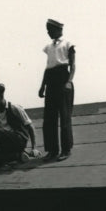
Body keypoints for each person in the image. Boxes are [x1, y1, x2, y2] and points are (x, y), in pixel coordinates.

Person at [37, 18, 75, 161]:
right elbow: (48, 68)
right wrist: (42, 86)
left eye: (51, 30)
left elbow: (73, 65)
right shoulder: (48, 47)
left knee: (64, 117)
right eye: (47, 31)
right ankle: (52, 150)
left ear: (59, 29)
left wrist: (69, 82)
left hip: (63, 79)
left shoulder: (68, 44)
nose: (49, 33)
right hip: (51, 81)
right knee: (49, 118)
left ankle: (66, 150)